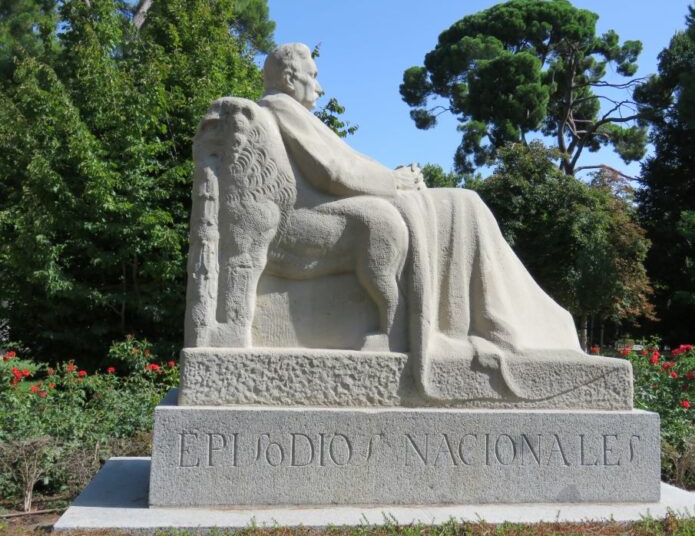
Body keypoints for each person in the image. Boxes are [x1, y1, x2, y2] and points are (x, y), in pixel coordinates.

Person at [193, 43, 616, 403]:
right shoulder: (281, 109)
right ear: (290, 77)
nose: (318, 87)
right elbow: (334, 171)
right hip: (322, 216)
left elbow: (346, 163)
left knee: (464, 205)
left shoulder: (290, 112)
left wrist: (392, 178)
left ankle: (509, 322)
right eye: (314, 76)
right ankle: (505, 325)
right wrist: (394, 183)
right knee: (464, 205)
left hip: (342, 206)